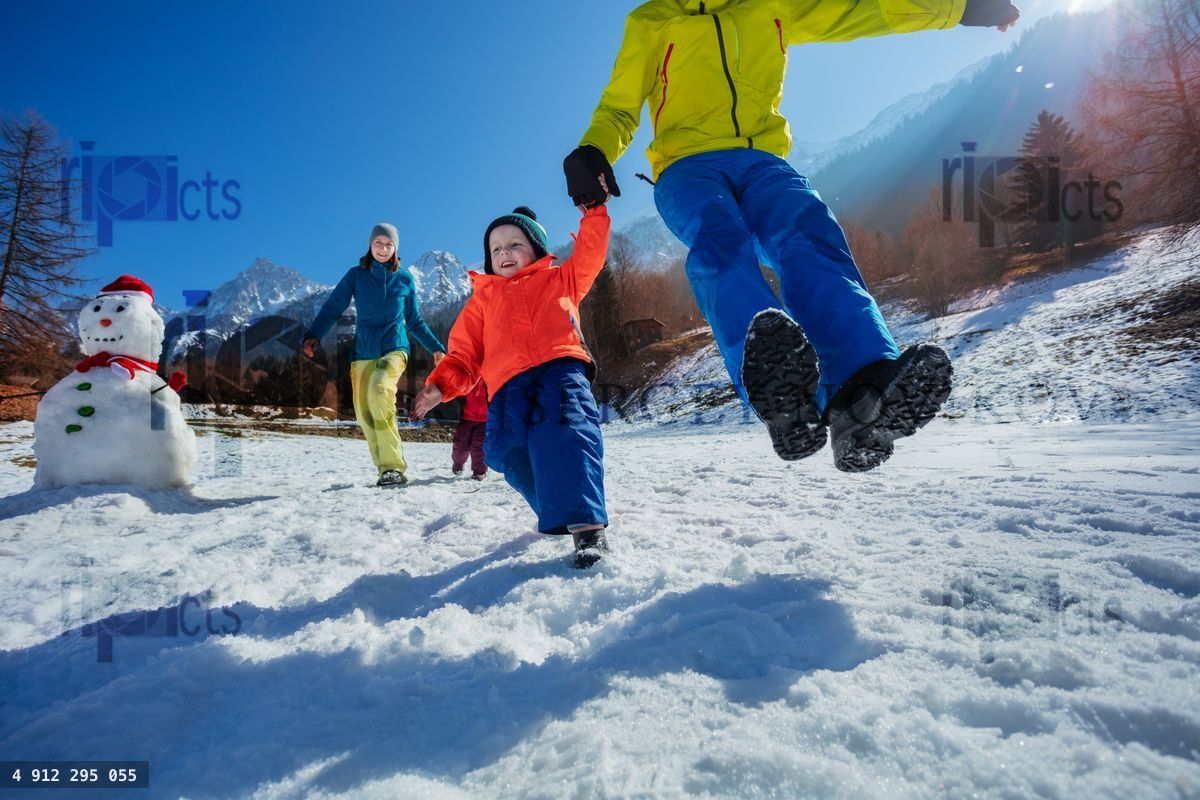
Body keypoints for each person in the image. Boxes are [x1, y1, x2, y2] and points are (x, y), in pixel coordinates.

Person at [562, 0, 1019, 472]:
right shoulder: (651, 21)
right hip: (687, 167)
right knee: (722, 243)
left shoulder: (772, 5)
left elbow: (867, 9)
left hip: (764, 162)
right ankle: (778, 390)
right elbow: (619, 106)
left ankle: (862, 388)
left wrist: (958, 7)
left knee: (809, 235)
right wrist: (593, 150)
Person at [411, 205, 612, 568]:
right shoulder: (483, 301)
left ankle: (588, 529)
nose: (504, 253)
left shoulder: (560, 278)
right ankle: (559, 506)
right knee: (505, 452)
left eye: (514, 244)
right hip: (506, 389)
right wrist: (440, 386)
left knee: (568, 438)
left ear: (536, 248)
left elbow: (591, 254)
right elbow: (464, 354)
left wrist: (594, 212)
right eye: (496, 248)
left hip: (559, 373)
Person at [304, 223, 446, 487]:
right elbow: (334, 306)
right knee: (364, 411)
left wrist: (436, 347)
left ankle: (394, 467)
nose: (383, 248)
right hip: (363, 352)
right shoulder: (356, 276)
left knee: (380, 389)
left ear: (395, 249)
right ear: (370, 245)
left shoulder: (404, 279)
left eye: (388, 244)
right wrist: (314, 333)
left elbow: (413, 320)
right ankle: (384, 470)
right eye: (378, 243)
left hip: (395, 348)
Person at [452, 379, 489, 480]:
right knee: (460, 446)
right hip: (466, 419)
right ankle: (458, 463)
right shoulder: (469, 375)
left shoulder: (490, 376)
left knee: (479, 446)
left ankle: (479, 471)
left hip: (484, 421)